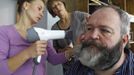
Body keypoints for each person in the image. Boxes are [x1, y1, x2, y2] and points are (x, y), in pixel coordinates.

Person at [0, 0, 73, 75]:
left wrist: (74, 51)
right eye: (39, 8)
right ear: (26, 5)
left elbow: (54, 59)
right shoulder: (4, 32)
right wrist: (28, 53)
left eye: (43, 12)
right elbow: (1, 70)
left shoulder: (41, 34)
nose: (41, 14)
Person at [65, 5, 134, 75]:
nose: (93, 35)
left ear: (124, 40)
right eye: (89, 28)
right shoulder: (78, 68)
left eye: (105, 30)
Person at [46, 0, 89, 73]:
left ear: (63, 4)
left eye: (59, 4)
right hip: (68, 67)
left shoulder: (78, 15)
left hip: (85, 62)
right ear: (53, 12)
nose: (58, 8)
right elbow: (55, 50)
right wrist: (64, 50)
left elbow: (93, 20)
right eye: (54, 7)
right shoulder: (54, 28)